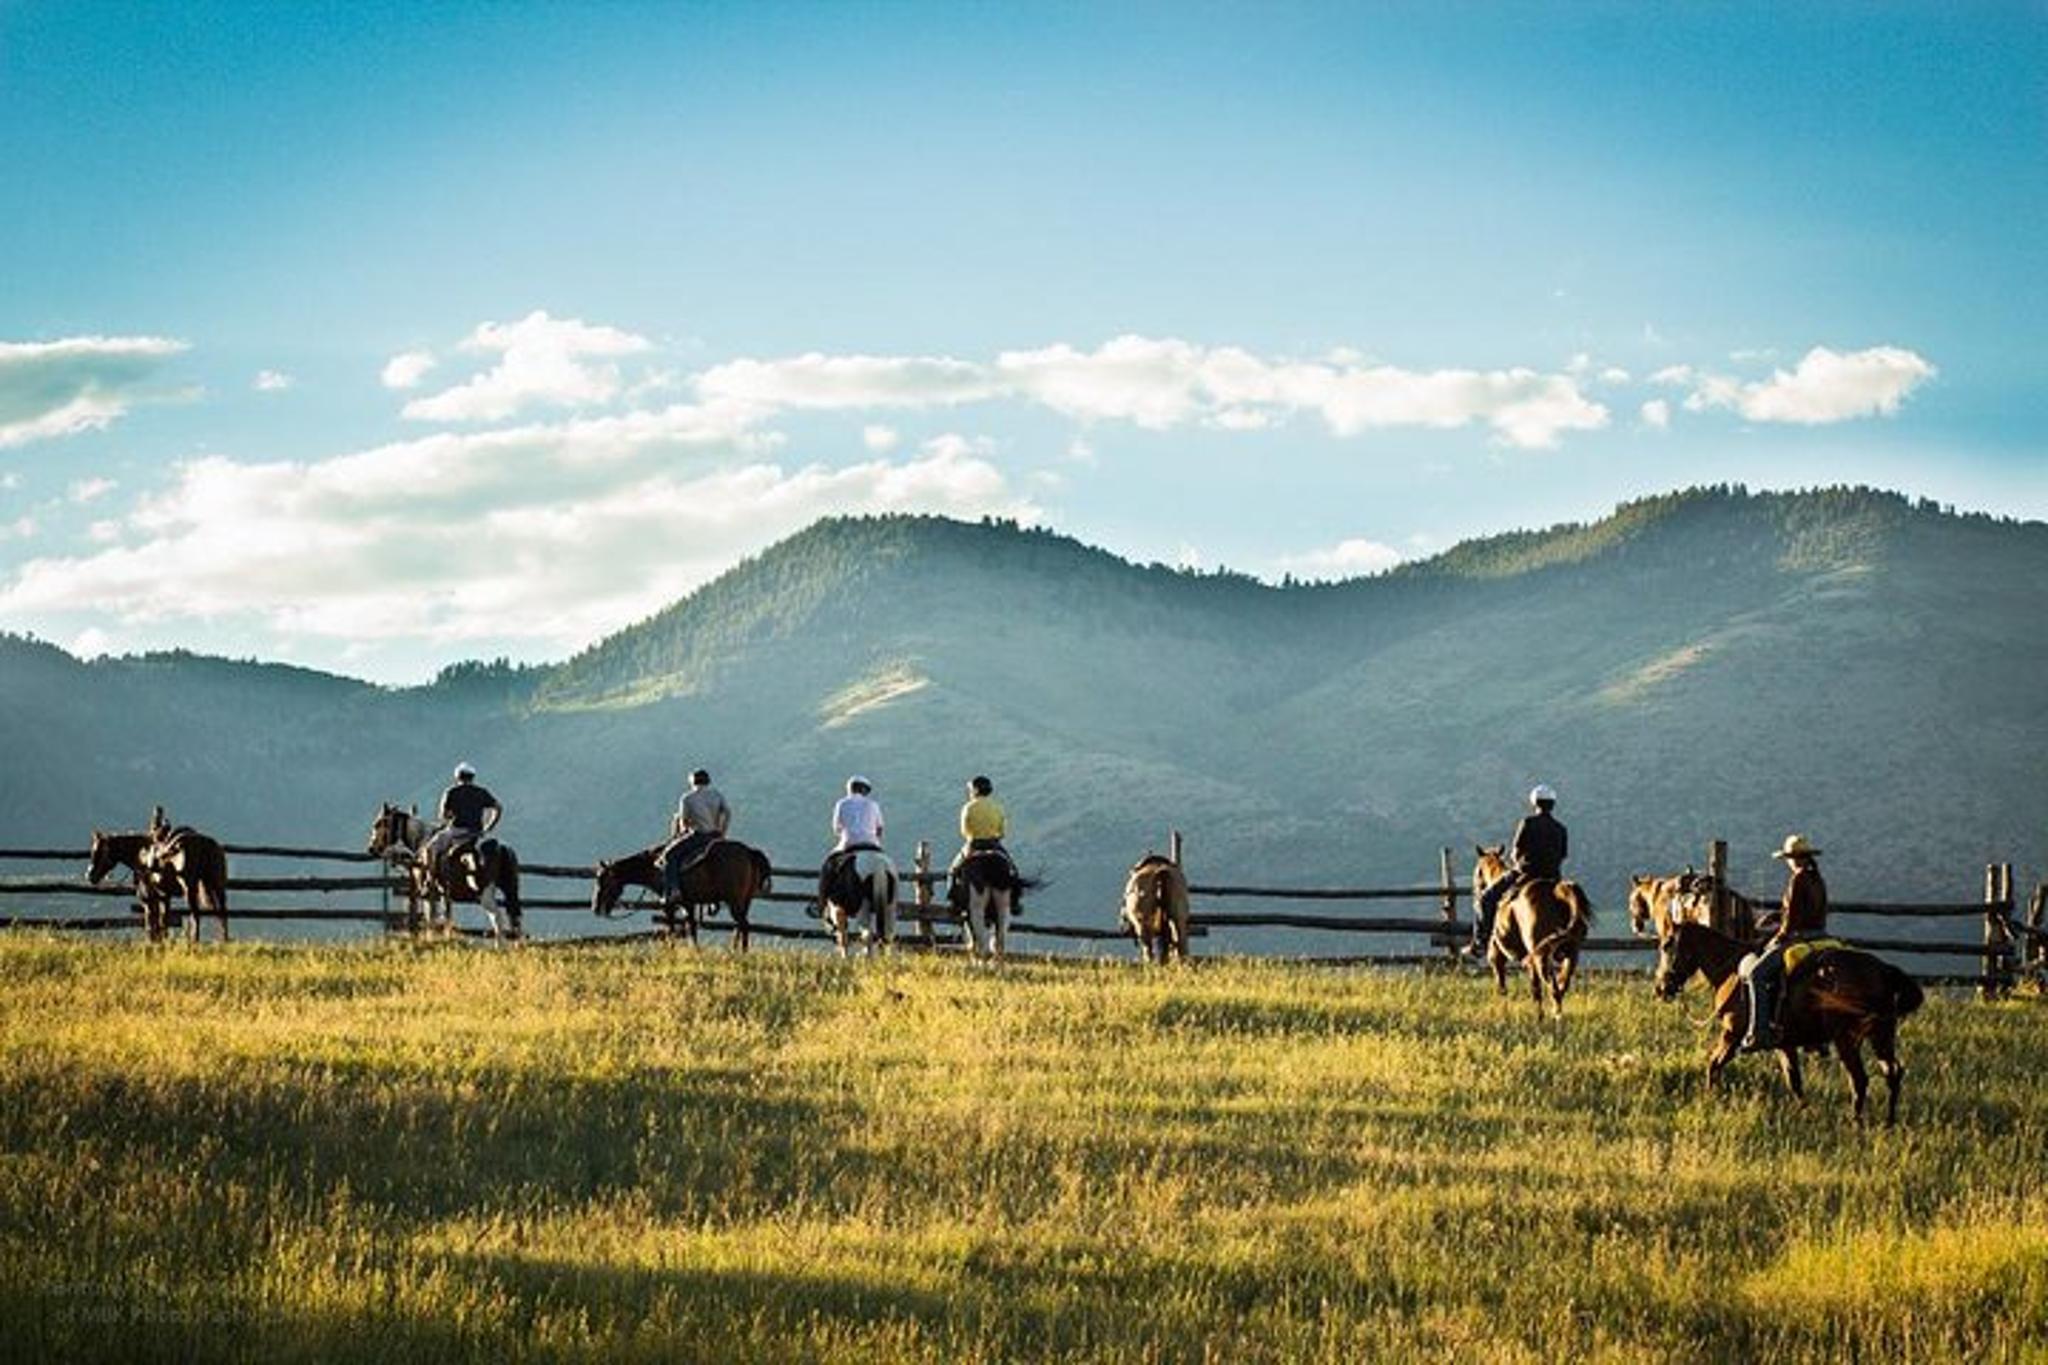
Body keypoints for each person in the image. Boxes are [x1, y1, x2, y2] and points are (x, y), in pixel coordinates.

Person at [1739, 834, 1829, 1052]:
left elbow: (1792, 920)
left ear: (1792, 859)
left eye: (1790, 858)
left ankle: (1759, 1032)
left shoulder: (1798, 879)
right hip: (1820, 935)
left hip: (1799, 937)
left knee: (1757, 974)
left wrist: (1780, 935)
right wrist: (1778, 917)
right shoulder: (1817, 879)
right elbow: (1806, 912)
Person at [1470, 783, 1568, 954]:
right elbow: (1562, 856)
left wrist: (1517, 863)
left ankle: (1481, 941)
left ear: (1534, 803)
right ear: (1553, 804)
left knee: (1485, 899)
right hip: (1553, 877)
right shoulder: (1561, 828)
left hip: (1526, 873)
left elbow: (1515, 852)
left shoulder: (1527, 823)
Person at [662, 768, 731, 904]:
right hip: (715, 835)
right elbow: (727, 813)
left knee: (670, 856)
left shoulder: (687, 798)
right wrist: (722, 832)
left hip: (698, 835)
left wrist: (682, 830)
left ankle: (674, 890)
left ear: (692, 782)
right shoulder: (717, 795)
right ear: (708, 781)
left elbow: (683, 821)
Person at [817, 777, 885, 913]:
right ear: (865, 791)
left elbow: (837, 828)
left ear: (850, 789)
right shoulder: (873, 805)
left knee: (827, 866)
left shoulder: (842, 804)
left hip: (849, 844)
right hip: (873, 845)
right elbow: (879, 829)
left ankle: (821, 903)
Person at [949, 775, 1017, 909]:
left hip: (974, 844)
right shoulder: (997, 807)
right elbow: (1002, 831)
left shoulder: (968, 807)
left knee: (953, 870)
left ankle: (954, 901)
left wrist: (972, 835)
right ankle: (1014, 902)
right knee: (1013, 869)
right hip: (994, 844)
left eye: (970, 790)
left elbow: (964, 830)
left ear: (975, 790)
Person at [424, 761, 501, 876]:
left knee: (431, 848)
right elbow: (498, 807)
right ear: (472, 777)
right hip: (477, 832)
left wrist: (449, 817)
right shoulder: (482, 792)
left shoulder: (451, 792)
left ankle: (432, 878)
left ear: (457, 776)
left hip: (456, 831)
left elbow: (443, 815)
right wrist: (489, 827)